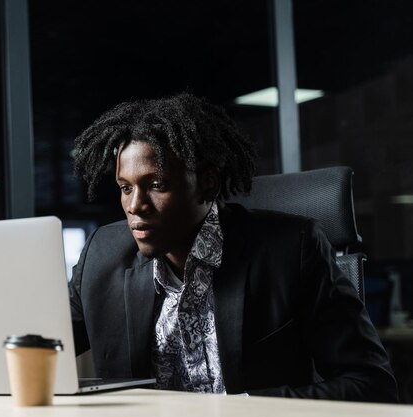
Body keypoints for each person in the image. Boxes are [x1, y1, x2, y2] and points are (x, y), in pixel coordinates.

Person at [68, 93, 397, 402]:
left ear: (207, 184)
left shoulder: (291, 250)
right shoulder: (102, 256)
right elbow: (30, 352)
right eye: (125, 188)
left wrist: (241, 409)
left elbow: (369, 383)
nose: (135, 205)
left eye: (157, 185)